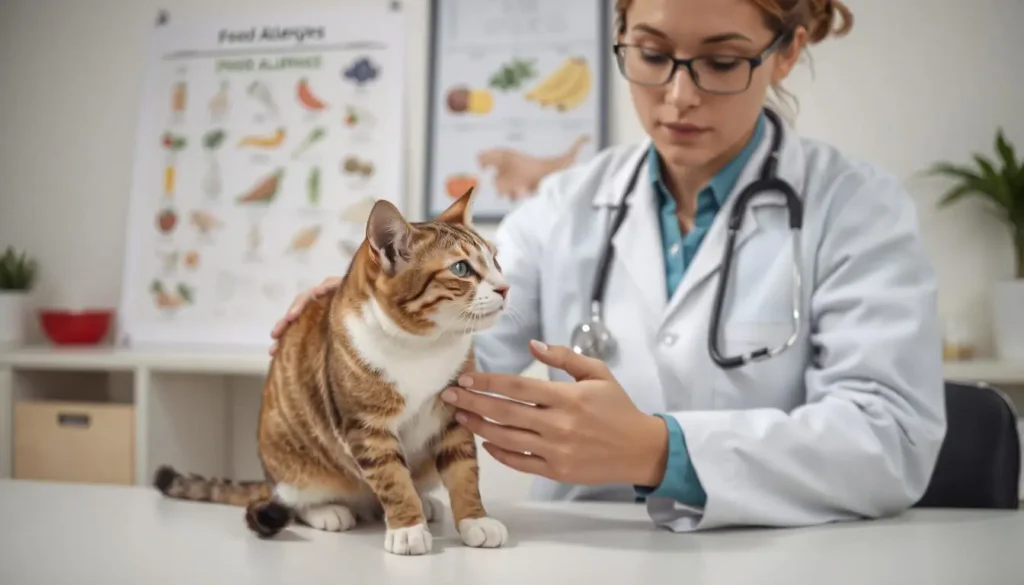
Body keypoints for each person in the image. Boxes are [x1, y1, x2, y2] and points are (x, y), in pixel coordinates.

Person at [270, 0, 947, 532]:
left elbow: (892, 437)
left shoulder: (855, 207)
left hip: (781, 556)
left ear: (788, 51)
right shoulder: (568, 203)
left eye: (722, 61)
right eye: (652, 53)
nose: (678, 96)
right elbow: (462, 352)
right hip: (585, 555)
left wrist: (660, 451)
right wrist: (371, 325)